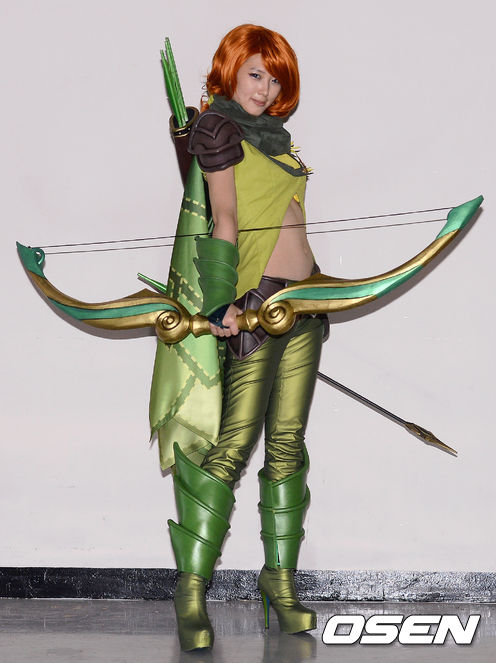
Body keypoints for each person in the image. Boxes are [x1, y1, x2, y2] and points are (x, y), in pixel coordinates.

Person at [166, 24, 326, 651]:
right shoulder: (218, 129)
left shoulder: (278, 142)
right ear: (231, 69)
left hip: (304, 302)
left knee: (287, 443)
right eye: (255, 73)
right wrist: (223, 301)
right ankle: (191, 590)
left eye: (275, 79)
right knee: (233, 445)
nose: (265, 89)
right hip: (256, 307)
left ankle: (278, 582)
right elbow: (226, 218)